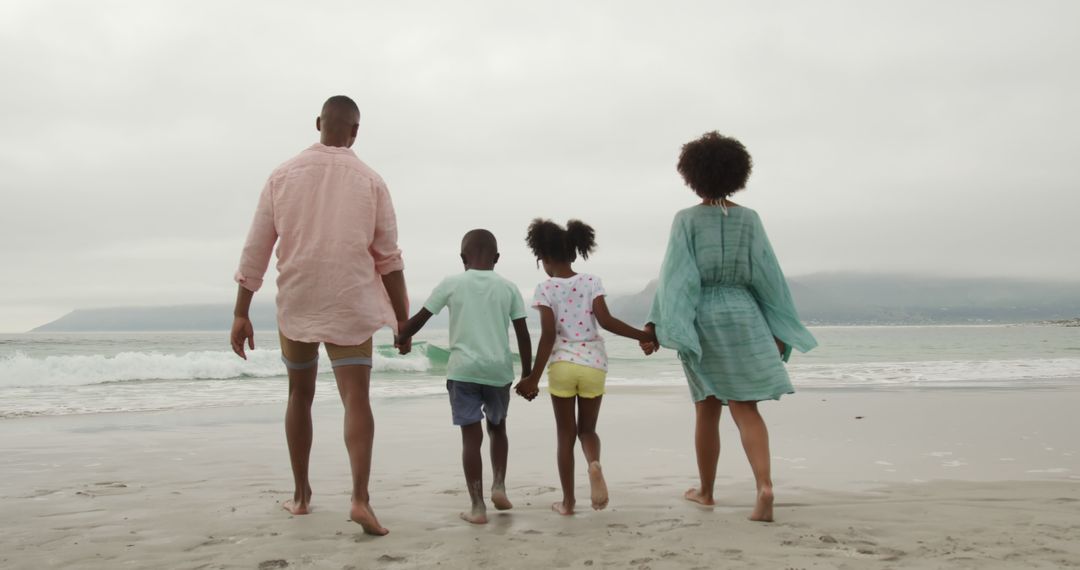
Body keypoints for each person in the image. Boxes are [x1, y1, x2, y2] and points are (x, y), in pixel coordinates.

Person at [229, 95, 408, 536]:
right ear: (355, 132)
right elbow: (389, 259)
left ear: (318, 124)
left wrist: (241, 312)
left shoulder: (282, 175)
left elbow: (257, 247)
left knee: (299, 396)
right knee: (356, 399)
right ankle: (360, 499)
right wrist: (402, 321)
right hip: (350, 300)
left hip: (298, 299)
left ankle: (302, 495)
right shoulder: (372, 181)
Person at [644, 131, 817, 522]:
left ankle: (705, 492)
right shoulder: (750, 220)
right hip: (745, 312)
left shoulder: (685, 220)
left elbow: (676, 278)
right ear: (738, 172)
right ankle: (764, 487)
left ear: (692, 175)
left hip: (704, 314)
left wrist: (659, 325)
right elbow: (769, 277)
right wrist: (777, 328)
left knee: (707, 406)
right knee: (746, 405)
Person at [514, 219, 656, 516]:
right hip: (593, 365)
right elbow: (607, 322)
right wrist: (644, 335)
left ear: (544, 258)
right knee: (587, 431)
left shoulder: (545, 288)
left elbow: (549, 335)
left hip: (563, 366)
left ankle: (568, 503)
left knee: (565, 435)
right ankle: (594, 463)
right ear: (574, 254)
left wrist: (532, 378)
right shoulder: (592, 281)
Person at [396, 229, 533, 524]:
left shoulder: (451, 283)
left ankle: (477, 507)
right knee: (498, 428)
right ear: (497, 258)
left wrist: (401, 336)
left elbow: (419, 319)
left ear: (462, 258)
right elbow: (522, 334)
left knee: (471, 439)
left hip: (463, 371)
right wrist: (529, 374)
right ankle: (499, 485)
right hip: (498, 371)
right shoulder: (509, 287)